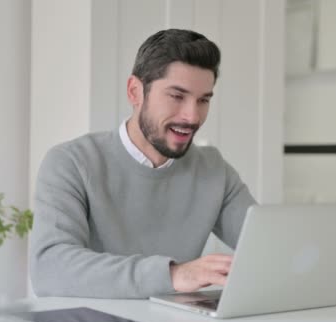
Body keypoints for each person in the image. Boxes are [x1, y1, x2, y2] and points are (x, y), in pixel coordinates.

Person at [29, 29, 256, 299]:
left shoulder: (213, 169)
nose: (192, 116)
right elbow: (49, 269)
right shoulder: (71, 162)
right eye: (177, 96)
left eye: (203, 100)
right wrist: (174, 274)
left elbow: (265, 248)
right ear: (135, 91)